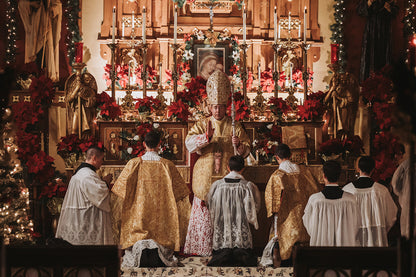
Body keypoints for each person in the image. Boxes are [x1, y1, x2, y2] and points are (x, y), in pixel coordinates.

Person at [184, 70, 251, 256]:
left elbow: (246, 150)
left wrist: (239, 146)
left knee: (226, 210)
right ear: (209, 107)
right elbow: (189, 143)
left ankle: (226, 248)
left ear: (226, 107)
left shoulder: (234, 125)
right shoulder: (202, 123)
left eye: (221, 107)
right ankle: (203, 249)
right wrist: (206, 138)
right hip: (205, 174)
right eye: (214, 107)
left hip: (227, 176)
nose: (217, 111)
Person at [111, 131, 191, 267]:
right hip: (162, 215)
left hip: (139, 213)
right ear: (160, 144)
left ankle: (138, 253)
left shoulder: (133, 163)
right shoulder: (167, 165)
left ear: (143, 144)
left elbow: (119, 191)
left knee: (136, 224)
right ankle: (160, 255)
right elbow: (181, 193)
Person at [260, 144, 319, 267]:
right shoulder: (304, 172)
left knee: (284, 239)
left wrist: (273, 214)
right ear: (291, 155)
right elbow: (314, 191)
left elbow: (272, 202)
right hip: (304, 214)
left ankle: (284, 262)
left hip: (286, 216)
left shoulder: (277, 175)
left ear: (276, 157)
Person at [206, 155, 261, 266]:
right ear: (243, 169)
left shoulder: (217, 185)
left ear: (228, 168)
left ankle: (223, 256)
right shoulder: (248, 186)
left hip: (222, 226)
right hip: (240, 228)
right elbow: (255, 208)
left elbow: (209, 203)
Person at [55, 147, 114, 245]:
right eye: (101, 159)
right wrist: (106, 182)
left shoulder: (82, 173)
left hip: (78, 219)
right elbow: (99, 194)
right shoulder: (87, 175)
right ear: (94, 158)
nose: (102, 162)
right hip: (84, 221)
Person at [343, 156, 398, 246]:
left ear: (358, 168)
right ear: (373, 169)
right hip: (376, 239)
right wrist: (381, 230)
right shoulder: (381, 190)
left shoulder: (347, 190)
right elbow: (391, 216)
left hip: (352, 239)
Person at [303, 160, 360, 246]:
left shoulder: (315, 200)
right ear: (339, 176)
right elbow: (356, 225)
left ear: (324, 176)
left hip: (322, 248)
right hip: (344, 248)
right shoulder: (350, 199)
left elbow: (310, 225)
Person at [18, 0, 62, 82]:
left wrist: (53, 9)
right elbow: (21, 4)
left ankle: (46, 79)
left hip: (47, 28)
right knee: (35, 57)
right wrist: (31, 4)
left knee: (46, 55)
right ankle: (33, 78)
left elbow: (58, 5)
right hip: (34, 30)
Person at [358, 0, 398, 82]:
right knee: (369, 57)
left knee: (384, 56)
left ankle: (384, 84)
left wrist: (389, 7)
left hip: (385, 32)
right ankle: (368, 84)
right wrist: (369, 3)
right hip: (371, 32)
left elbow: (395, 11)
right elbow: (360, 10)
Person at [392, 154, 416, 239]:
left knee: (408, 233)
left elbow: (395, 183)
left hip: (408, 202)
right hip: (407, 201)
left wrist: (402, 195)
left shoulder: (406, 164)